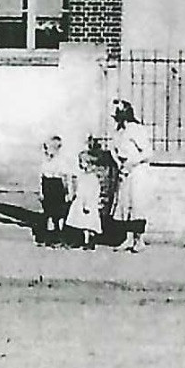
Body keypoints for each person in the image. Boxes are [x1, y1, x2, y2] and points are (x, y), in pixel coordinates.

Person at [107, 98, 152, 252]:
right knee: (124, 205)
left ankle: (138, 240)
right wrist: (120, 164)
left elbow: (147, 152)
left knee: (137, 204)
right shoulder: (118, 131)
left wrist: (130, 164)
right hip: (124, 172)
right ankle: (126, 238)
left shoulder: (136, 129)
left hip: (137, 171)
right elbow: (114, 150)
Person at [37, 135, 73, 246]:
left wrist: (69, 192)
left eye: (51, 147)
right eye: (47, 147)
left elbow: (67, 178)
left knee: (59, 214)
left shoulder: (62, 161)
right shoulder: (45, 162)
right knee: (49, 213)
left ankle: (60, 236)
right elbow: (41, 177)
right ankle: (49, 237)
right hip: (47, 186)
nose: (48, 150)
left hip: (58, 186)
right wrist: (40, 192)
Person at [70, 143, 104, 250]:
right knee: (81, 222)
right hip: (80, 201)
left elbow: (92, 192)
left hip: (88, 202)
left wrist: (88, 204)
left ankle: (91, 240)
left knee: (89, 223)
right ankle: (82, 239)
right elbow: (79, 188)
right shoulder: (82, 176)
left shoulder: (92, 178)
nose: (80, 164)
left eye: (82, 162)